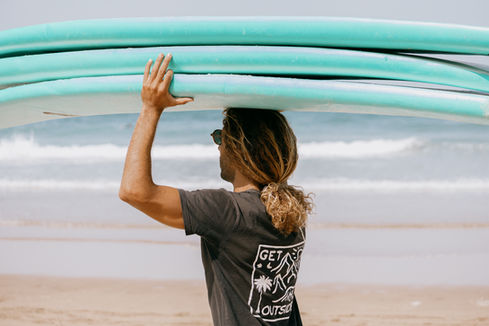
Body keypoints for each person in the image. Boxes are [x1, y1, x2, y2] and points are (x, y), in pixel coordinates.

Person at [119, 53, 313, 325]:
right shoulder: (292, 214)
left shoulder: (227, 213)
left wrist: (151, 108)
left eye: (221, 137)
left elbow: (134, 191)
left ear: (238, 149)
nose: (218, 147)